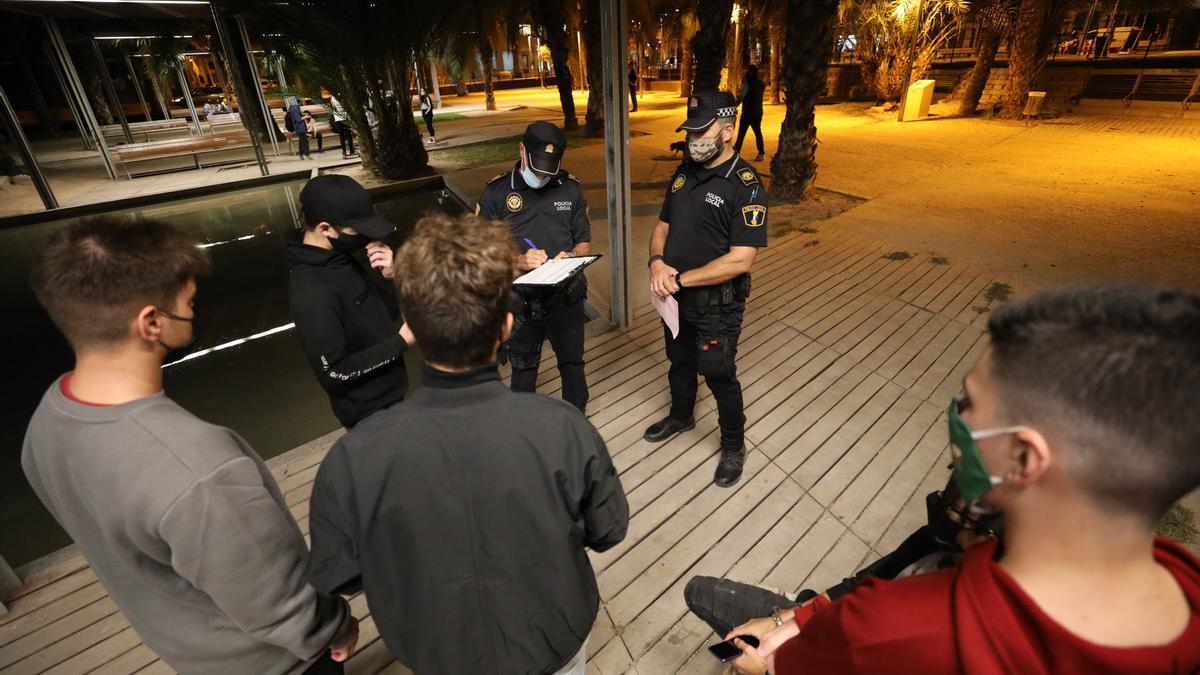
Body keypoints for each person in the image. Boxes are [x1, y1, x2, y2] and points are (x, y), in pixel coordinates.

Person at [723, 284, 1200, 675]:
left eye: (968, 404)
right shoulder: (1186, 588)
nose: (957, 418)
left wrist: (766, 667)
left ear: (1024, 458)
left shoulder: (889, 628)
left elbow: (791, 665)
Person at [23, 216, 359, 675]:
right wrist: (335, 626)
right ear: (151, 322)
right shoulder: (196, 467)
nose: (195, 310)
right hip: (278, 664)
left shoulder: (48, 418)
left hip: (190, 653)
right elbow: (277, 600)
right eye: (189, 302)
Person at [306, 213, 629, 675]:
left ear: (412, 331)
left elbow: (341, 574)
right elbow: (608, 530)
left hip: (438, 656)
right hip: (552, 646)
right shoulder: (563, 429)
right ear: (505, 327)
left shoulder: (353, 458)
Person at [645, 91, 768, 488]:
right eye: (690, 130)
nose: (693, 138)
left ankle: (733, 445)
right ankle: (682, 415)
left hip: (717, 305)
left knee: (718, 374)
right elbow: (662, 227)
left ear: (728, 131)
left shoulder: (746, 187)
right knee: (678, 361)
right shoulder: (683, 173)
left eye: (702, 131)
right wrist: (657, 263)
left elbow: (740, 260)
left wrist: (679, 278)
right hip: (674, 298)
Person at [476, 121, 592, 412]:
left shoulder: (571, 189)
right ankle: (524, 429)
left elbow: (584, 241)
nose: (542, 174)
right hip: (520, 303)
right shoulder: (495, 193)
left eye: (549, 168)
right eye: (537, 165)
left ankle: (576, 420)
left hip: (565, 298)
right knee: (523, 373)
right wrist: (518, 261)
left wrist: (572, 258)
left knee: (573, 364)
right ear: (522, 150)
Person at [285, 174, 414, 428]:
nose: (365, 238)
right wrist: (401, 342)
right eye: (357, 231)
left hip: (392, 399)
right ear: (325, 228)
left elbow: (381, 317)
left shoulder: (339, 258)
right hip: (368, 416)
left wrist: (391, 277)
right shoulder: (311, 292)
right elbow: (335, 371)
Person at [734, 65, 765, 161]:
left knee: (741, 133)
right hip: (758, 111)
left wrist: (733, 107)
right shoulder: (761, 84)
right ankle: (761, 153)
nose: (746, 72)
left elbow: (741, 97)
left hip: (747, 112)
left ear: (751, 72)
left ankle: (736, 153)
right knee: (758, 132)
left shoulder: (747, 83)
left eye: (748, 71)